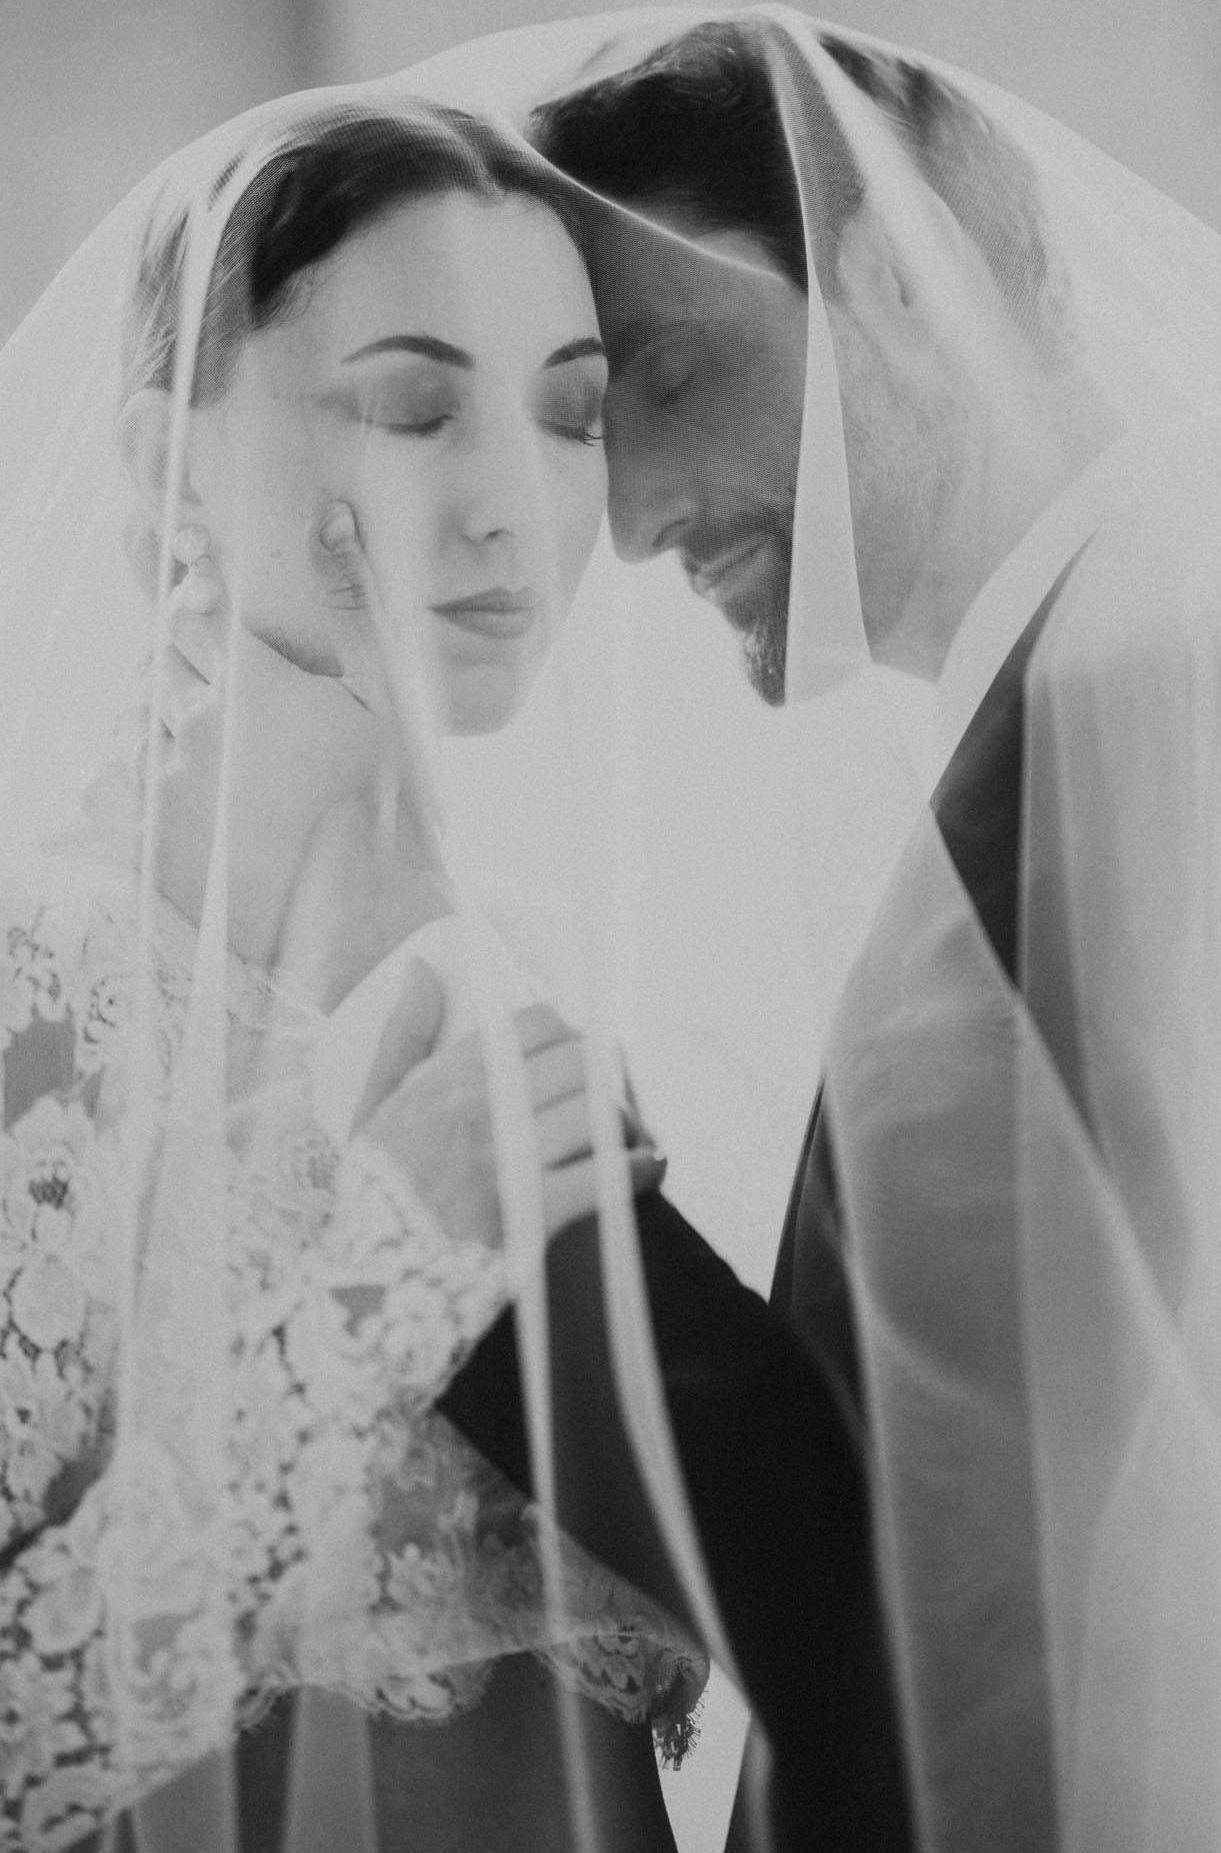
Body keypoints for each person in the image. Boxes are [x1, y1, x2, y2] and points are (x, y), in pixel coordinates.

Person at [428, 6, 1221, 1853]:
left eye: (664, 375)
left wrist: (545, 1241)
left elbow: (1000, 1630)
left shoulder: (1118, 750)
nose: (614, 523)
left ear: (890, 282)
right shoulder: (1138, 692)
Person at [0, 94, 705, 1853]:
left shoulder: (528, 969)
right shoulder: (57, 973)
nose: (513, 506)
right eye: (408, 404)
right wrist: (399, 1270)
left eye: (569, 413)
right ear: (174, 464)